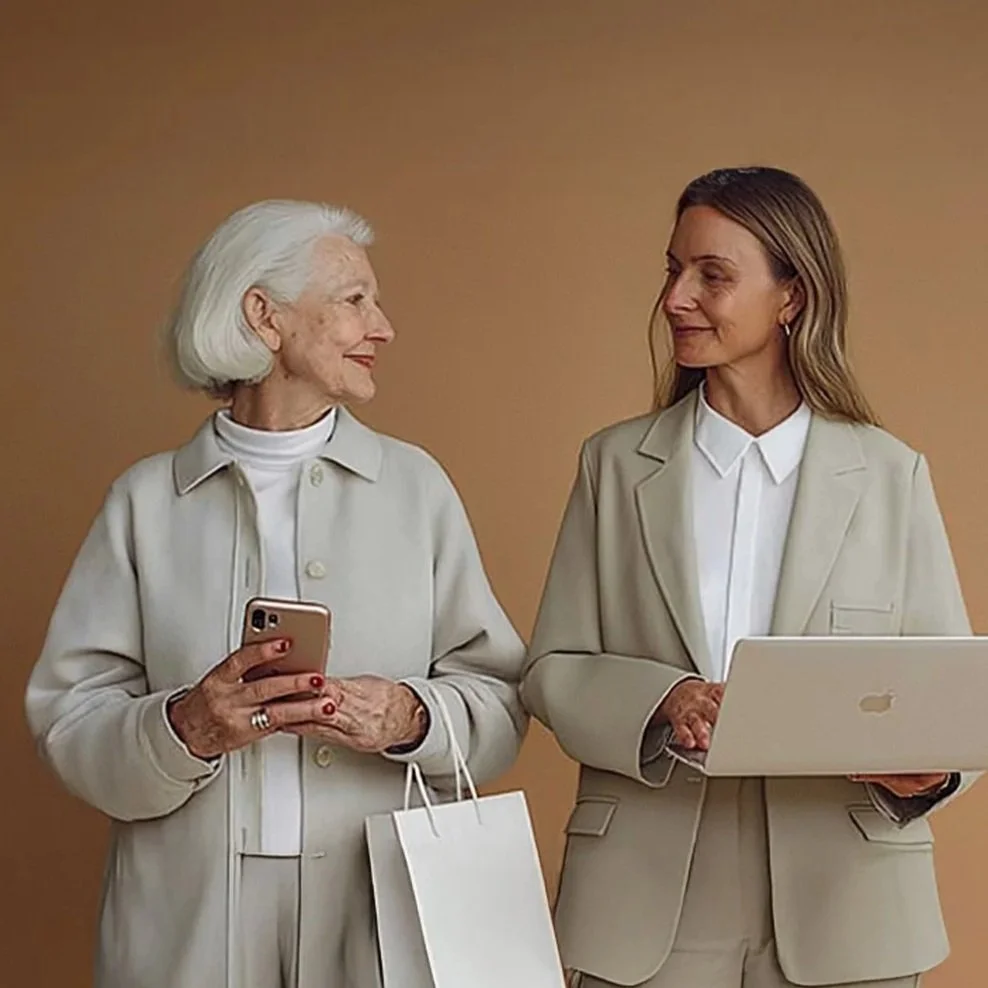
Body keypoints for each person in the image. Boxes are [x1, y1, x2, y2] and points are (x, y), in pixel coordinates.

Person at [25, 199, 527, 988]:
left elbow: (499, 702)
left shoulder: (416, 489)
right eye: (354, 300)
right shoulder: (145, 502)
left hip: (378, 909)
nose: (383, 326)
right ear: (264, 315)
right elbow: (69, 721)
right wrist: (185, 725)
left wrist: (408, 716)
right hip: (187, 918)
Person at [521, 166, 976, 988]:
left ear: (792, 296)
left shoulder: (888, 473)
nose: (676, 299)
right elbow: (553, 669)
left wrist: (933, 770)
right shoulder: (616, 465)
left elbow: (954, 686)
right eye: (673, 270)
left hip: (848, 896)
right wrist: (662, 698)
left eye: (713, 276)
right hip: (647, 889)